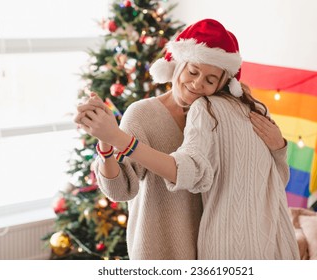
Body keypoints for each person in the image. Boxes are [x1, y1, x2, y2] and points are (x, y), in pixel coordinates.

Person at [75, 18, 300, 260]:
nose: (197, 84)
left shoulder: (221, 117)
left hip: (213, 252)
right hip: (159, 249)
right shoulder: (142, 114)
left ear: (224, 83)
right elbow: (120, 190)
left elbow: (272, 181)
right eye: (193, 71)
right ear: (177, 64)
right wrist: (106, 142)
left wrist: (278, 147)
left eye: (210, 80)